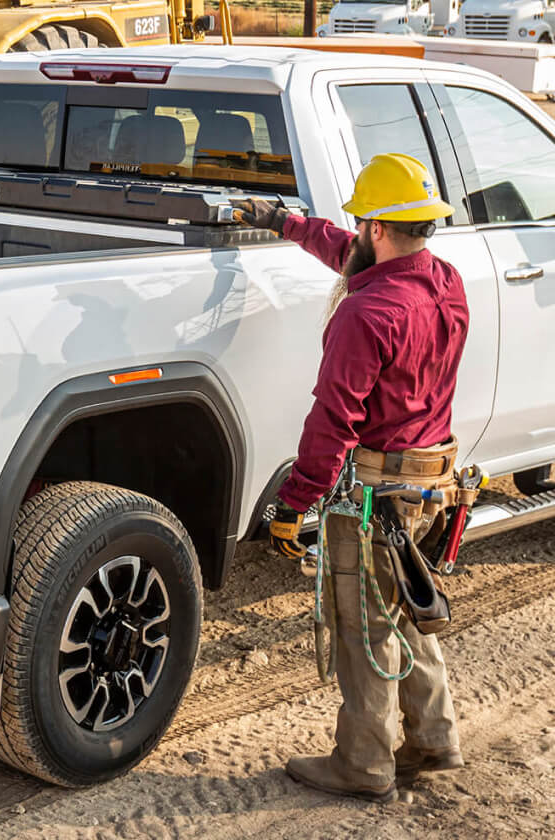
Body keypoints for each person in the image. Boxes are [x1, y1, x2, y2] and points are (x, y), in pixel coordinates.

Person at [236, 152, 469, 803]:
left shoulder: (366, 316)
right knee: (404, 607)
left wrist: (294, 503)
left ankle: (363, 762)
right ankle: (434, 735)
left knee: (366, 626)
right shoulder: (445, 282)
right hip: (431, 484)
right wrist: (287, 223)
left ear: (376, 227)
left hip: (374, 491)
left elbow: (333, 421)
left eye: (363, 223)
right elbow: (353, 254)